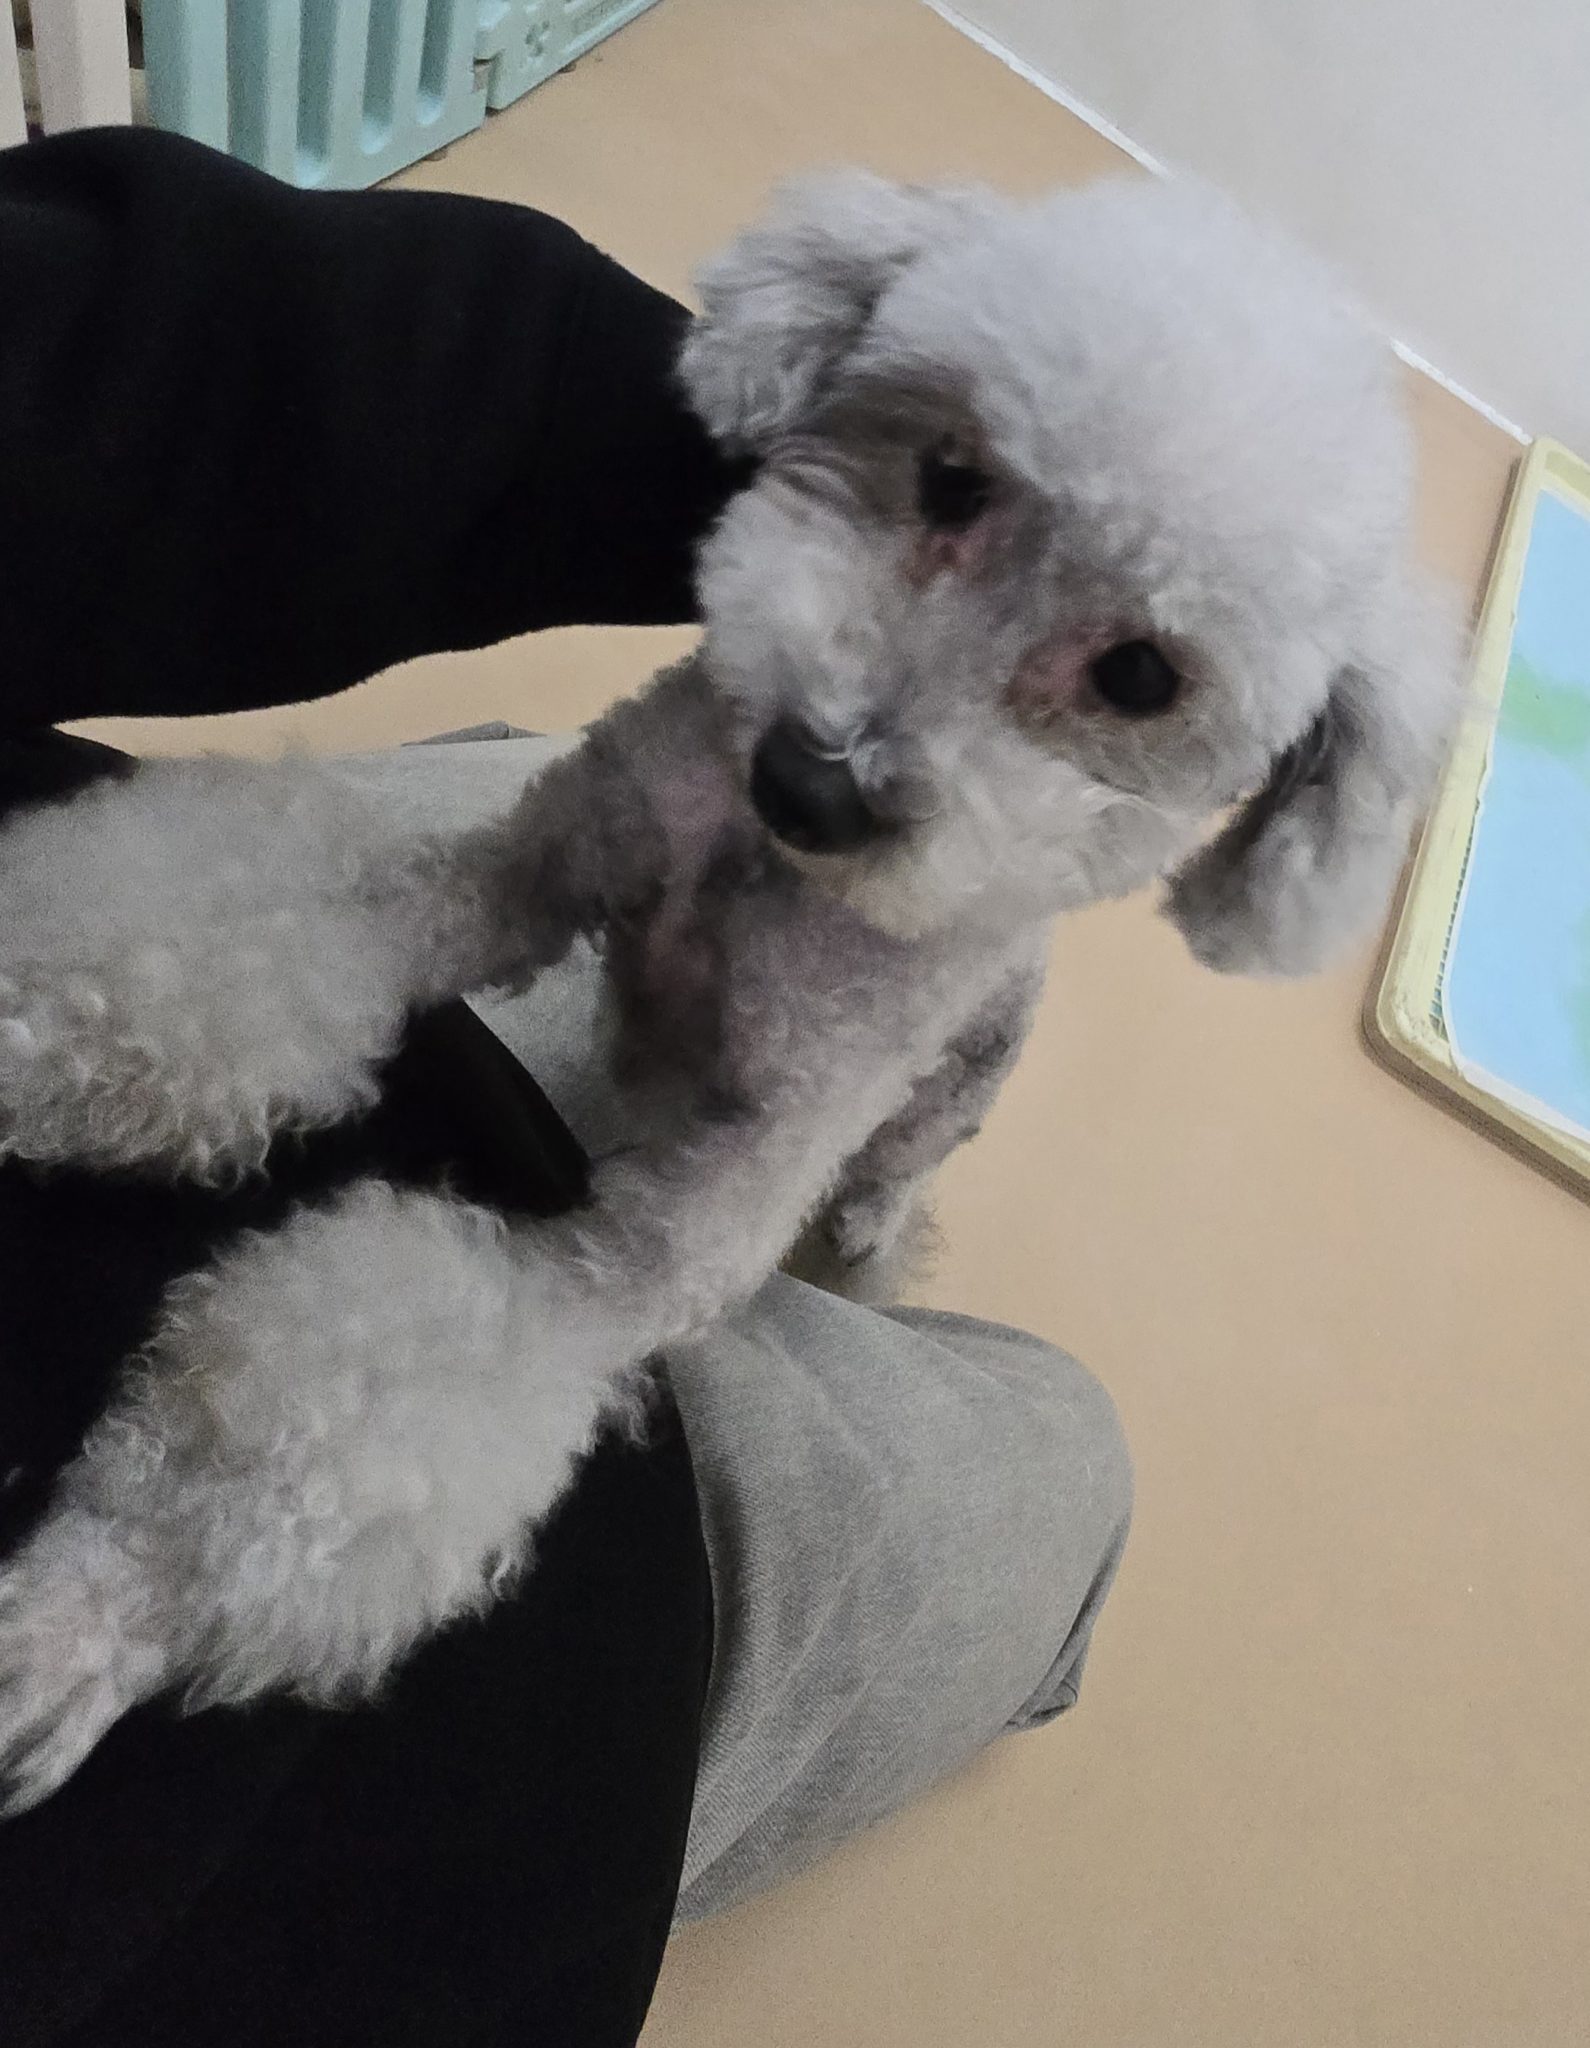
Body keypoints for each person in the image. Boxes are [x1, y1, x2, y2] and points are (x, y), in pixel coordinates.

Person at [0, 127, 1132, 2048]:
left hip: (813, 1069)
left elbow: (656, 1243)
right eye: (951, 492)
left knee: (800, 1202)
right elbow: (490, 898)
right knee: (1063, 1452)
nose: (871, 727)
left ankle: (861, 1226)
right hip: (425, 1768)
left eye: (1124, 676)